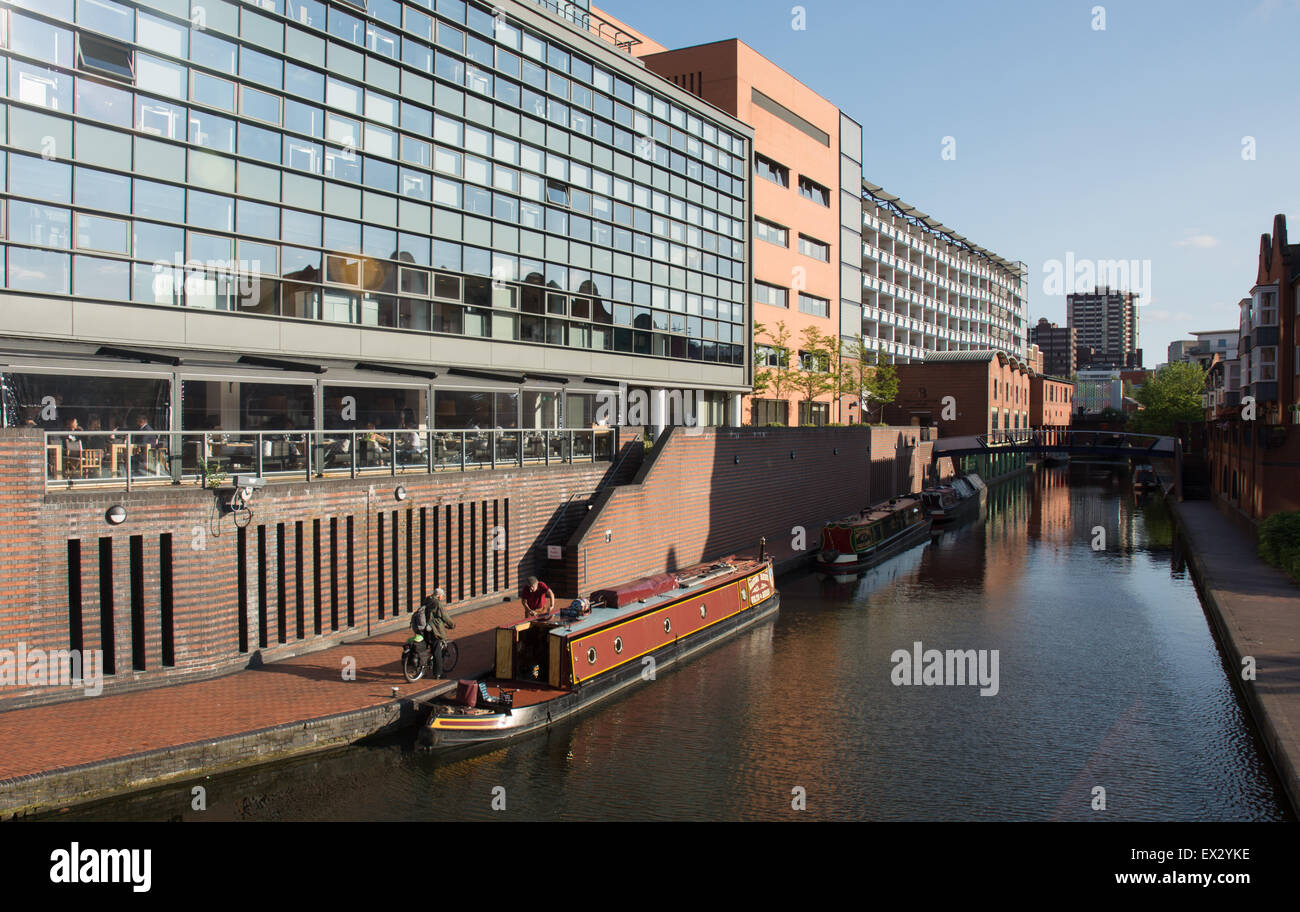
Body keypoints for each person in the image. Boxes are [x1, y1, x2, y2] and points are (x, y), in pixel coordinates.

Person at [411, 589, 455, 677]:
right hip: (433, 629)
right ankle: (438, 673)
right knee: (436, 651)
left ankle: (421, 670)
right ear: (439, 596)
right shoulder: (438, 604)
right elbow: (445, 616)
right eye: (442, 595)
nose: (442, 597)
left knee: (424, 648)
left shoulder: (427, 600)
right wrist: (452, 624)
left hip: (424, 628)